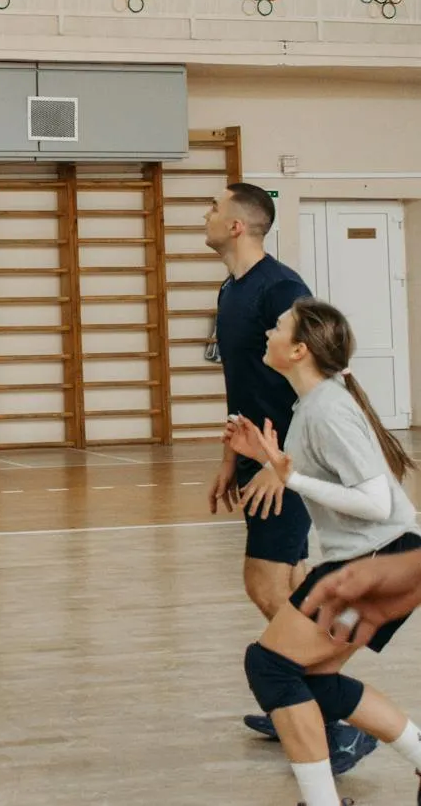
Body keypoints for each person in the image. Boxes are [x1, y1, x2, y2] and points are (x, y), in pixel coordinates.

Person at [204, 184, 373, 771]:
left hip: (292, 456)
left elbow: (316, 382)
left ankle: (333, 719)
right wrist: (232, 455)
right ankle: (299, 705)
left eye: (214, 206)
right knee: (294, 584)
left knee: (266, 585)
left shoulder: (281, 288)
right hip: (261, 451)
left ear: (237, 227)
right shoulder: (232, 290)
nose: (206, 213)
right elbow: (245, 387)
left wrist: (286, 467)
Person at [229, 299, 421, 806]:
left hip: (381, 562)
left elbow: (377, 502)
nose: (269, 330)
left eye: (279, 326)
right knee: (312, 677)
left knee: (271, 667)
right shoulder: (315, 404)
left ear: (298, 350)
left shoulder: (327, 410)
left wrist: (291, 476)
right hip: (384, 560)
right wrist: (264, 460)